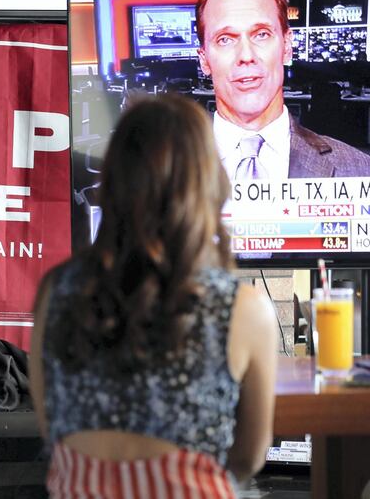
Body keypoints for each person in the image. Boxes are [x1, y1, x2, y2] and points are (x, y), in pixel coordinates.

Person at [29, 94, 278, 497]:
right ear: (209, 183)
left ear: (111, 179)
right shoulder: (243, 306)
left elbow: (52, 427)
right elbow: (250, 458)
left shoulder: (56, 289)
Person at [196, 0, 370, 179]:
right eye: (225, 39)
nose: (246, 55)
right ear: (204, 59)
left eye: (261, 34)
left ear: (287, 46)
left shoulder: (360, 170)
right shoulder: (151, 173)